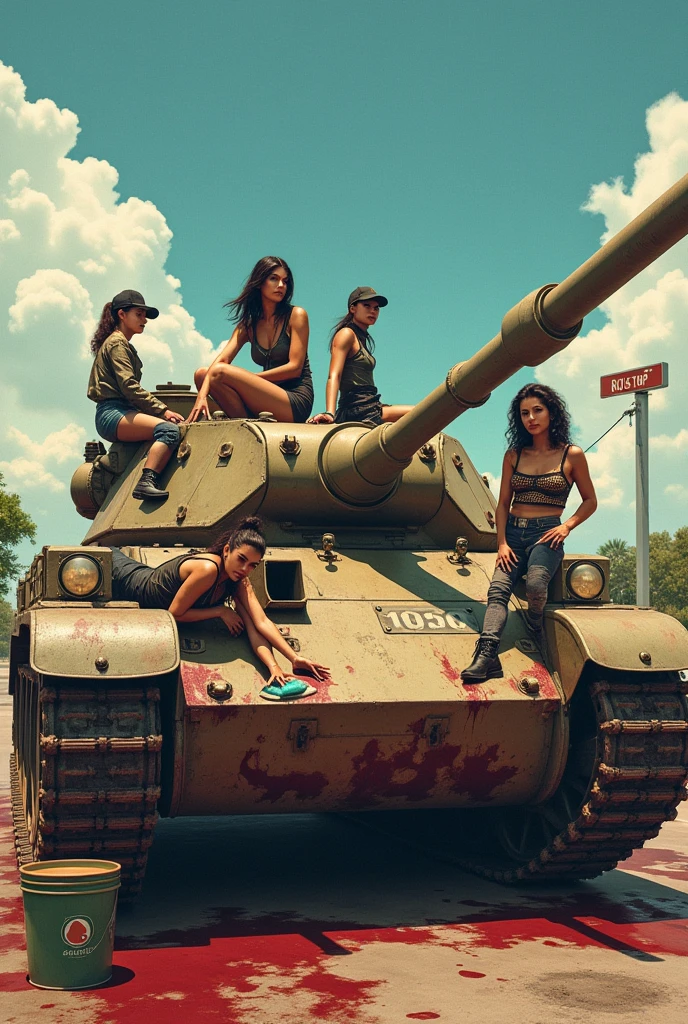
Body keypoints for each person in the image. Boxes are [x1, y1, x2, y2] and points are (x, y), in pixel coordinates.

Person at [461, 384, 597, 683]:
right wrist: (501, 543)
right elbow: (502, 505)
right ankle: (486, 657)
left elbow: (590, 501)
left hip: (547, 534)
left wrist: (566, 525)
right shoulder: (514, 455)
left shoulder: (571, 455)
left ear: (552, 412)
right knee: (497, 591)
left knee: (536, 585)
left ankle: (535, 620)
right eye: (525, 413)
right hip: (513, 532)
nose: (531, 418)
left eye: (537, 410)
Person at [111, 516, 329, 699]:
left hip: (145, 580)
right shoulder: (208, 569)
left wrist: (287, 661)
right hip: (127, 581)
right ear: (227, 550)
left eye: (252, 565)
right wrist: (220, 611)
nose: (245, 568)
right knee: (103, 557)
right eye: (241, 559)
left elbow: (259, 623)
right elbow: (173, 614)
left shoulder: (238, 580)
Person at [188, 257, 313, 424]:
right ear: (260, 283)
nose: (281, 285)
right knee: (202, 374)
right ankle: (245, 423)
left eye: (285, 281)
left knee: (220, 372)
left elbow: (294, 368)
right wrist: (202, 395)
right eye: (274, 279)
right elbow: (221, 360)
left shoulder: (296, 315)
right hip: (263, 398)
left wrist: (250, 380)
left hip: (293, 399)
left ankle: (245, 420)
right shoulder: (248, 325)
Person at [88, 289, 184, 501]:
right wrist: (163, 410)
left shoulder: (121, 344)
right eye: (139, 314)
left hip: (120, 411)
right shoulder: (117, 343)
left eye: (144, 316)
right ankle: (146, 482)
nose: (144, 321)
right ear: (122, 314)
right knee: (169, 432)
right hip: (112, 413)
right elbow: (129, 386)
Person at [308, 287, 413, 426]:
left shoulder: (361, 338)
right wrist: (330, 413)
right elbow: (334, 375)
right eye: (367, 305)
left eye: (376, 308)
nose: (373, 311)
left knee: (422, 416)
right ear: (353, 308)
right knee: (421, 412)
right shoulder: (346, 334)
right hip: (358, 408)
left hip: (371, 405)